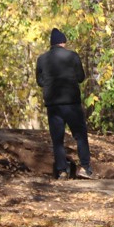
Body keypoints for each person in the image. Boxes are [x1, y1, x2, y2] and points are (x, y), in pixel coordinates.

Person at [36, 28, 94, 180]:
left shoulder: (42, 59)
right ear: (63, 42)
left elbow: (40, 82)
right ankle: (85, 168)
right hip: (72, 104)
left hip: (53, 105)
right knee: (80, 135)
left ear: (52, 44)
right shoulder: (72, 56)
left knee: (57, 140)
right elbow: (81, 77)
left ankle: (62, 170)